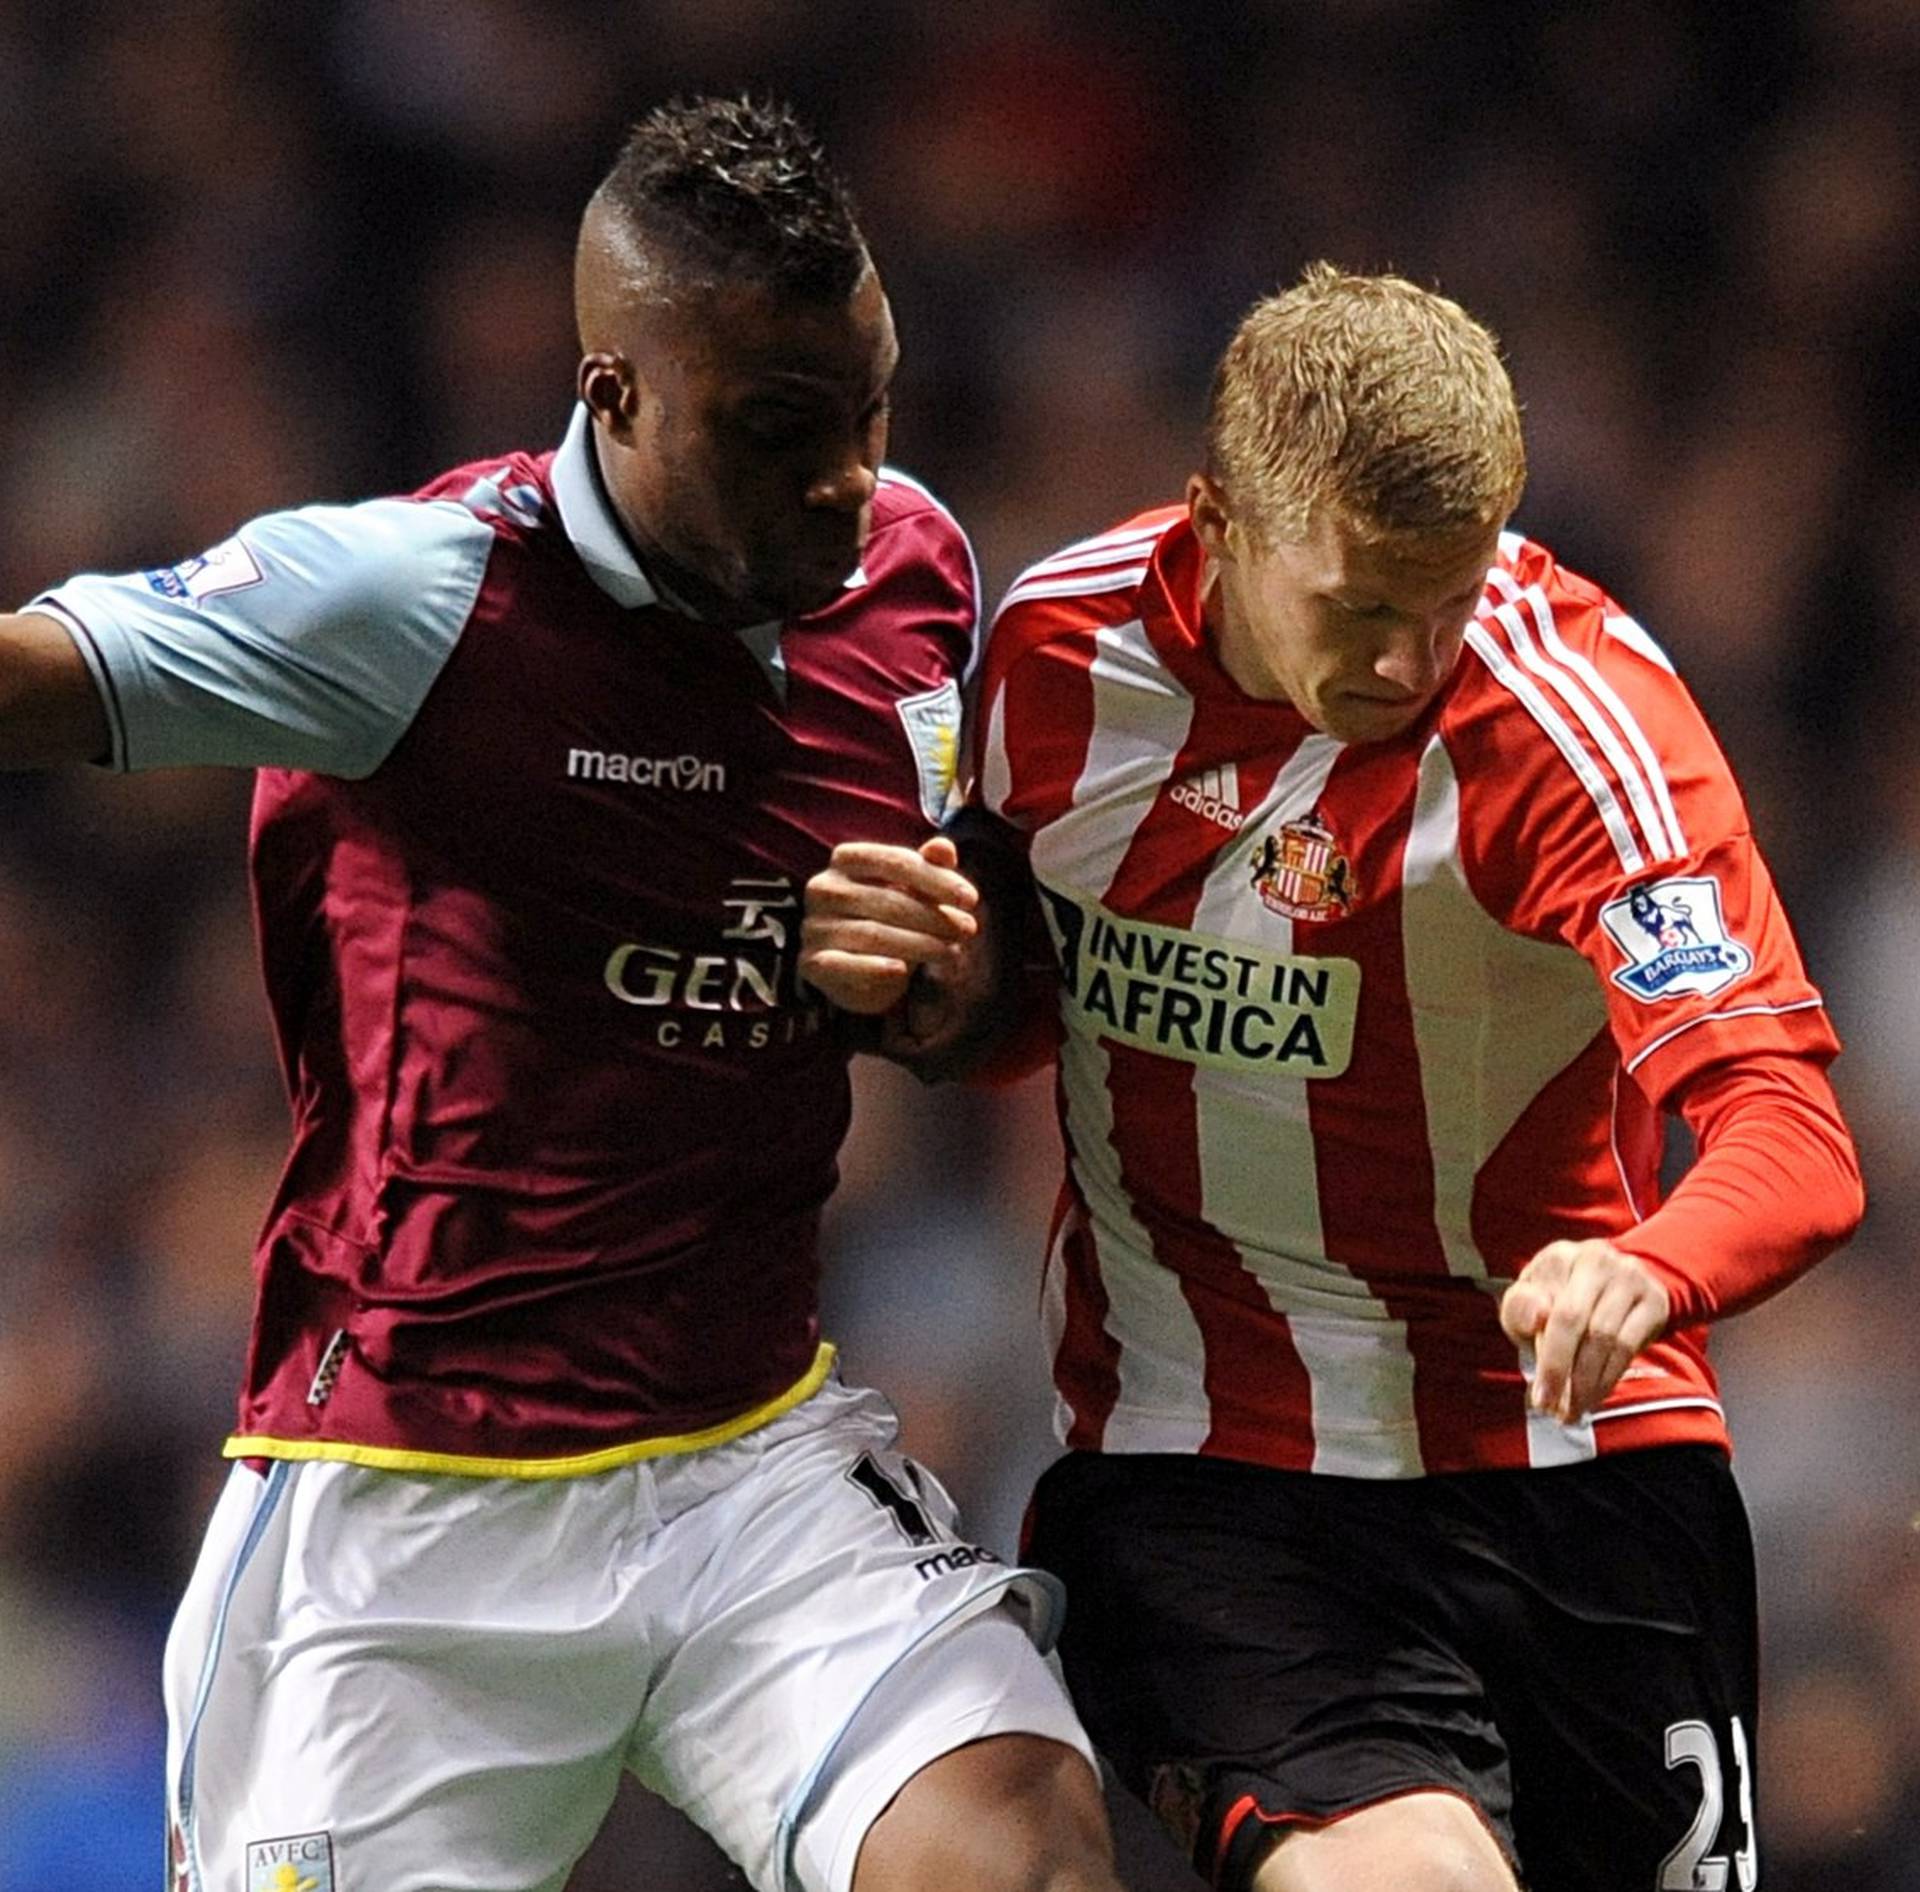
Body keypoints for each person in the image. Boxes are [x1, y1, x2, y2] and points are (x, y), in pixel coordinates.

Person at [0, 95, 1126, 1892]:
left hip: (748, 1462)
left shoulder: (908, 576)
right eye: (777, 431)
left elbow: (992, 1023)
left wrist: (948, 984)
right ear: (615, 393)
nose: (844, 475)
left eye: (871, 410)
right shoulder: (411, 600)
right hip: (408, 1514)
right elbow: (37, 676)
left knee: (1029, 1853)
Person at [801, 263, 1865, 1892]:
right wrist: (932, 997)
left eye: (1448, 595)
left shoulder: (1577, 731)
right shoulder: (1048, 666)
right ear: (1219, 521)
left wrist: (1651, 1264)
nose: (1409, 654)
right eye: (1359, 605)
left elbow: (1788, 1129)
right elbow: (1024, 1012)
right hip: (1211, 1472)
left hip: (1579, 1470)